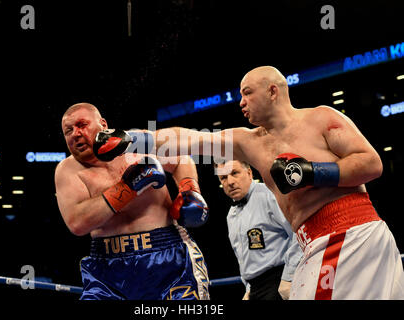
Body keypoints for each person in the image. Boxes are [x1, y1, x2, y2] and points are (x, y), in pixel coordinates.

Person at [94, 66, 404, 299]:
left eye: (247, 92)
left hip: (351, 233)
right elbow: (191, 139)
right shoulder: (248, 142)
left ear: (273, 91)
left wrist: (310, 171)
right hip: (313, 242)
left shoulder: (320, 119)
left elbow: (370, 163)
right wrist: (136, 138)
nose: (240, 101)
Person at [54, 102, 210, 300]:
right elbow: (77, 223)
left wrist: (189, 189)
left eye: (82, 125)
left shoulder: (134, 143)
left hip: (168, 259)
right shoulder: (67, 170)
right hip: (107, 269)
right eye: (68, 131)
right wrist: (129, 187)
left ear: (103, 124)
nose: (75, 133)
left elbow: (181, 159)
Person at [215, 159, 302, 300]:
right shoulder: (231, 215)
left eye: (234, 173)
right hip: (255, 289)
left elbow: (298, 233)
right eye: (223, 177)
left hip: (280, 280)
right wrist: (249, 289)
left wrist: (288, 277)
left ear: (249, 173)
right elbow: (243, 257)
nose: (230, 182)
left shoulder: (269, 194)